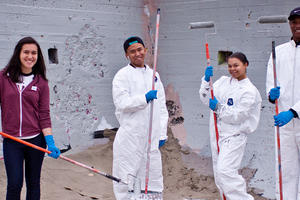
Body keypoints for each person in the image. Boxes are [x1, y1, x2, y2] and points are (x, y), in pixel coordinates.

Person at [1, 36, 60, 200]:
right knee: (14, 183)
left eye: (34, 53)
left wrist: (50, 141)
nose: (30, 56)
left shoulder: (41, 83)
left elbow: (44, 114)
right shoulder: (3, 78)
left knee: (33, 184)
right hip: (12, 141)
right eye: (26, 52)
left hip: (35, 140)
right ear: (18, 54)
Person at [112, 36, 168, 199]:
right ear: (126, 55)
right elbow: (122, 103)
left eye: (139, 49)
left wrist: (162, 133)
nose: (137, 54)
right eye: (132, 51)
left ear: (145, 50)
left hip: (151, 139)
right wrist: (144, 99)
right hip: (131, 139)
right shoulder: (122, 76)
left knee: (151, 180)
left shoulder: (154, 75)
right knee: (127, 179)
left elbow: (162, 107)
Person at [199, 52, 262, 200]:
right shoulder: (222, 82)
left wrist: (218, 108)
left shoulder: (249, 91)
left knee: (226, 172)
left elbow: (238, 116)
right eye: (230, 66)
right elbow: (206, 99)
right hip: (217, 133)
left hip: (234, 136)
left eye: (236, 65)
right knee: (219, 177)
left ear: (245, 65)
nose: (233, 69)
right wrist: (206, 81)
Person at [266, 7, 300, 200]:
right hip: (285, 125)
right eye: (294, 22)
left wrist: (294, 111)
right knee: (286, 173)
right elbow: (271, 82)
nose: (297, 25)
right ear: (290, 24)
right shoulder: (278, 52)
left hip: (295, 117)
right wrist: (271, 95)